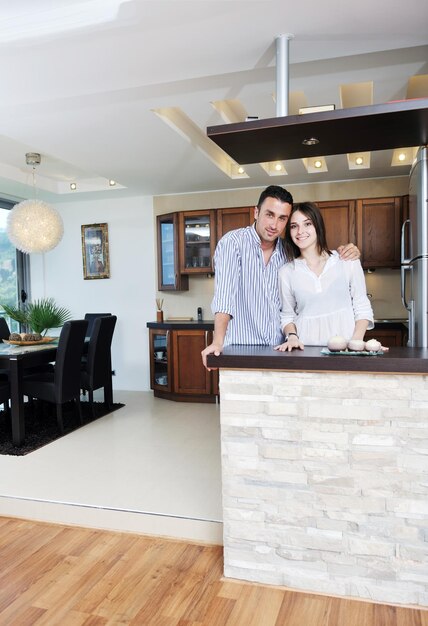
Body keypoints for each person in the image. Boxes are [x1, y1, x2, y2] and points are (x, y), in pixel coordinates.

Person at [201, 186, 360, 369]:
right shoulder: (232, 243)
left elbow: (317, 259)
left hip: (281, 350)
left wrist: (346, 252)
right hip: (241, 349)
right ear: (256, 212)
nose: (274, 225)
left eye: (282, 218)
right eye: (269, 214)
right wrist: (218, 342)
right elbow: (224, 298)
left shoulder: (289, 251)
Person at [275, 201, 373, 352]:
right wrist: (292, 336)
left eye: (307, 224)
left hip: (346, 351)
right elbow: (287, 315)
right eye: (294, 226)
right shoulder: (286, 272)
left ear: (318, 226)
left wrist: (355, 342)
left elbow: (362, 306)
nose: (300, 231)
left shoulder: (346, 260)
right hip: (304, 351)